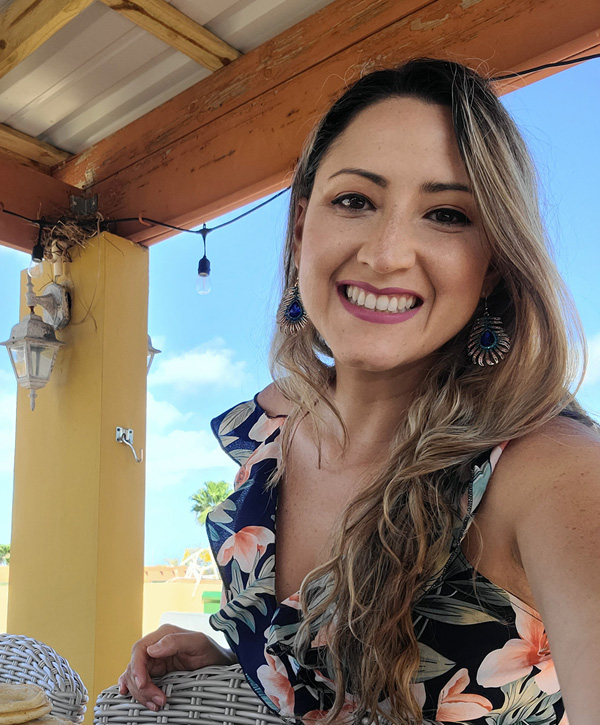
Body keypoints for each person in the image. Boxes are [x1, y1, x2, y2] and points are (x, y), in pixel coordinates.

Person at [118, 59, 600, 724]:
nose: (387, 252)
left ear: (491, 265)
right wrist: (245, 661)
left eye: (446, 213)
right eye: (355, 201)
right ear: (299, 228)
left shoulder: (552, 470)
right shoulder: (269, 433)